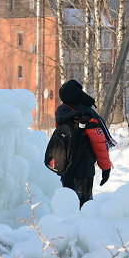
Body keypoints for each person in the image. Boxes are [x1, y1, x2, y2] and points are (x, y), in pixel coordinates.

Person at [55, 79, 116, 207]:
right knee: (84, 206)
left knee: (68, 205)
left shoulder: (62, 114)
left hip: (65, 168)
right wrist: (106, 168)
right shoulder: (86, 115)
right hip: (83, 169)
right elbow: (99, 143)